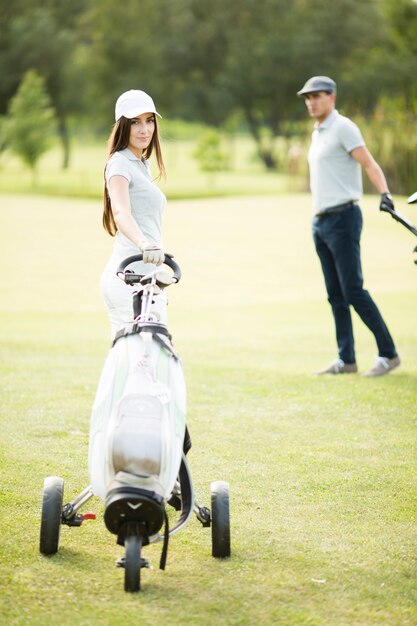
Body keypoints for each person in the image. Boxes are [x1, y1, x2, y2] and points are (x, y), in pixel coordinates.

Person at [297, 76, 400, 377]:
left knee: (353, 290)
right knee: (335, 293)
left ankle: (388, 354)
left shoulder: (343, 127)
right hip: (321, 221)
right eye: (307, 98)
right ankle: (347, 359)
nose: (311, 102)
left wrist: (385, 193)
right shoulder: (318, 132)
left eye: (316, 96)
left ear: (332, 97)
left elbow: (368, 163)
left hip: (344, 218)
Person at [101, 89, 168, 338]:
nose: (145, 129)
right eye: (135, 122)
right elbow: (120, 211)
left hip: (148, 277)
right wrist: (144, 243)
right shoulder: (119, 163)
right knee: (135, 361)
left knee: (149, 362)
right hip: (127, 279)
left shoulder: (141, 163)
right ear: (122, 126)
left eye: (149, 120)